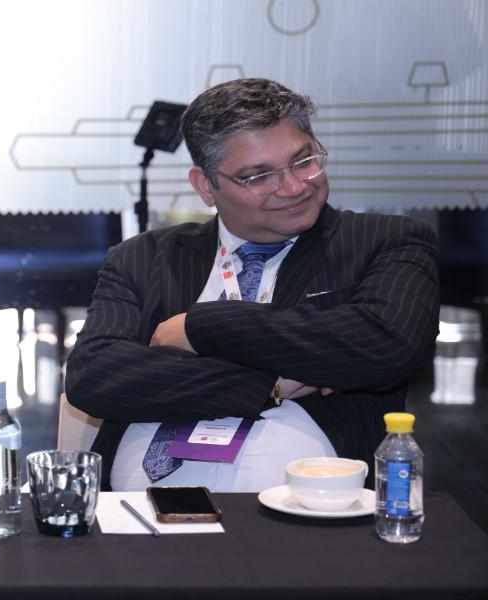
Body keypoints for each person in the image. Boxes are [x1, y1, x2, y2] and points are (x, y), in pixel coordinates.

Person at [65, 79, 439, 492]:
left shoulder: (384, 241)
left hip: (311, 511)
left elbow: (385, 343)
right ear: (206, 186)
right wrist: (269, 384)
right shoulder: (146, 256)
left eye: (303, 161)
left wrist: (200, 327)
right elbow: (95, 375)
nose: (294, 187)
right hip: (131, 514)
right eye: (258, 176)